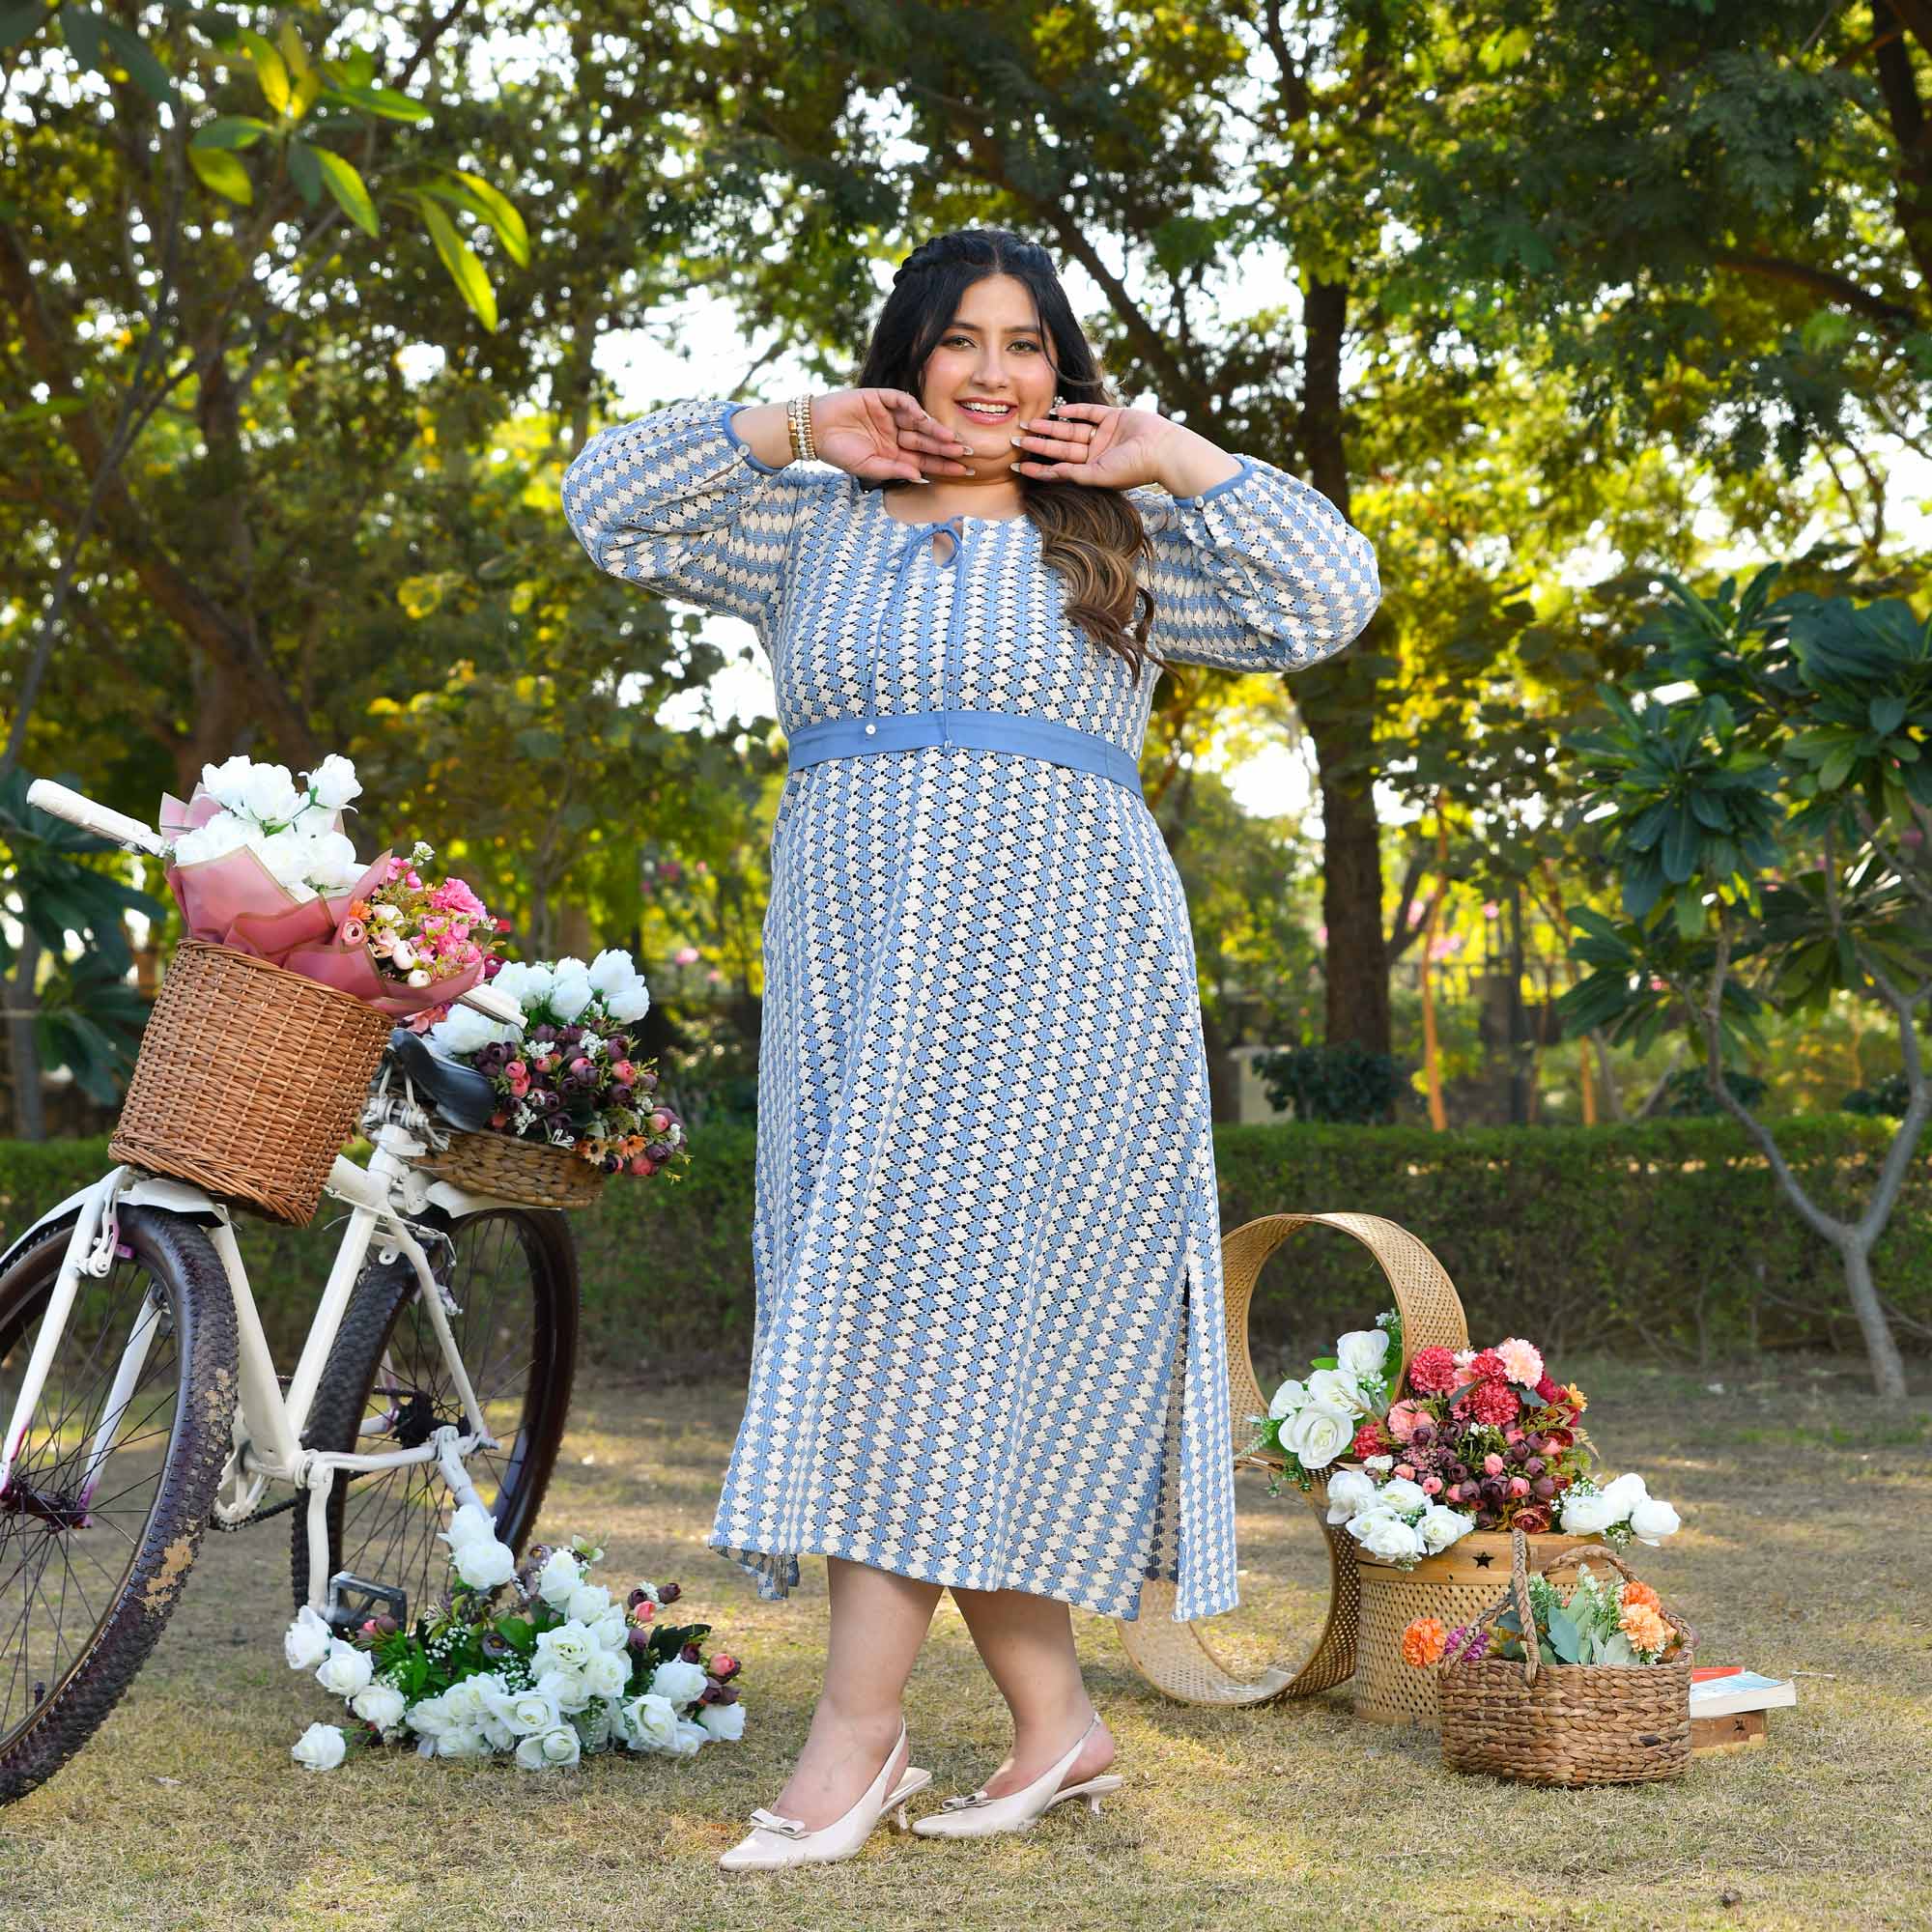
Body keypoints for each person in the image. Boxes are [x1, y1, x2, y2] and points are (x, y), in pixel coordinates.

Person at [561, 226, 1379, 1869]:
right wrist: (794, 424)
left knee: (917, 1317)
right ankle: (1054, 1726)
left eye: (1025, 342)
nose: (993, 370)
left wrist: (1175, 453)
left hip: (1062, 985)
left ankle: (854, 1743)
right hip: (858, 982)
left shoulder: (1122, 533)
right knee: (939, 1331)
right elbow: (606, 502)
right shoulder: (808, 521)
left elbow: (1330, 594)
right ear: (910, 356)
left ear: (1061, 369)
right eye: (959, 340)